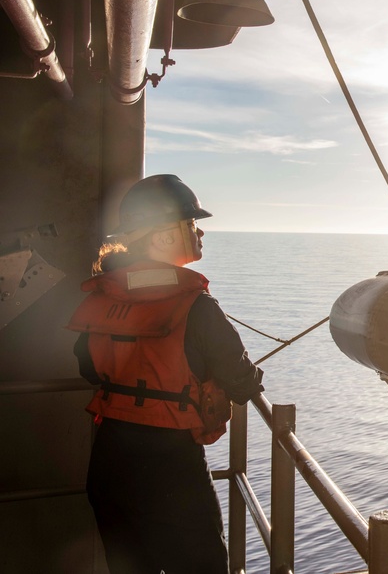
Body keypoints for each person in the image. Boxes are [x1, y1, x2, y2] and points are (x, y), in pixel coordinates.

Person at [68, 174, 264, 574]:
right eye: (191, 223)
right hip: (171, 470)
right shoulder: (197, 305)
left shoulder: (104, 295)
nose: (200, 231)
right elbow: (243, 384)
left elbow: (89, 369)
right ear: (160, 237)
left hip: (109, 465)